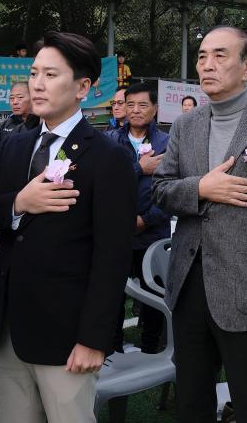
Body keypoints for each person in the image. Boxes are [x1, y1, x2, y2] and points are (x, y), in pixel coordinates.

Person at [0, 31, 136, 423]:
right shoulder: (13, 146)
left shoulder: (107, 156)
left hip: (67, 334)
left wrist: (93, 339)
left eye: (51, 75)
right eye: (34, 73)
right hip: (8, 328)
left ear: (83, 87)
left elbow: (112, 256)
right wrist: (18, 203)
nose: (37, 84)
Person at [152, 26, 247, 423]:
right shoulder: (186, 124)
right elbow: (160, 190)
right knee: (190, 400)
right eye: (202, 56)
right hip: (188, 285)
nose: (207, 65)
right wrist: (201, 188)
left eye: (220, 56)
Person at [107, 82, 170, 354]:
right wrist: (138, 168)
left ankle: (152, 348)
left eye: (142, 105)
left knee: (153, 294)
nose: (135, 110)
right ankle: (112, 348)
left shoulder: (167, 143)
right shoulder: (108, 141)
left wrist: (145, 219)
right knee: (112, 296)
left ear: (155, 109)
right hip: (116, 234)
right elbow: (103, 184)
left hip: (152, 234)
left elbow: (173, 190)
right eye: (129, 104)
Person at [0, 82, 39, 160]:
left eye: (20, 97)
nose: (15, 102)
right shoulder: (3, 126)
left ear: (33, 98)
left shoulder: (42, 122)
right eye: (12, 98)